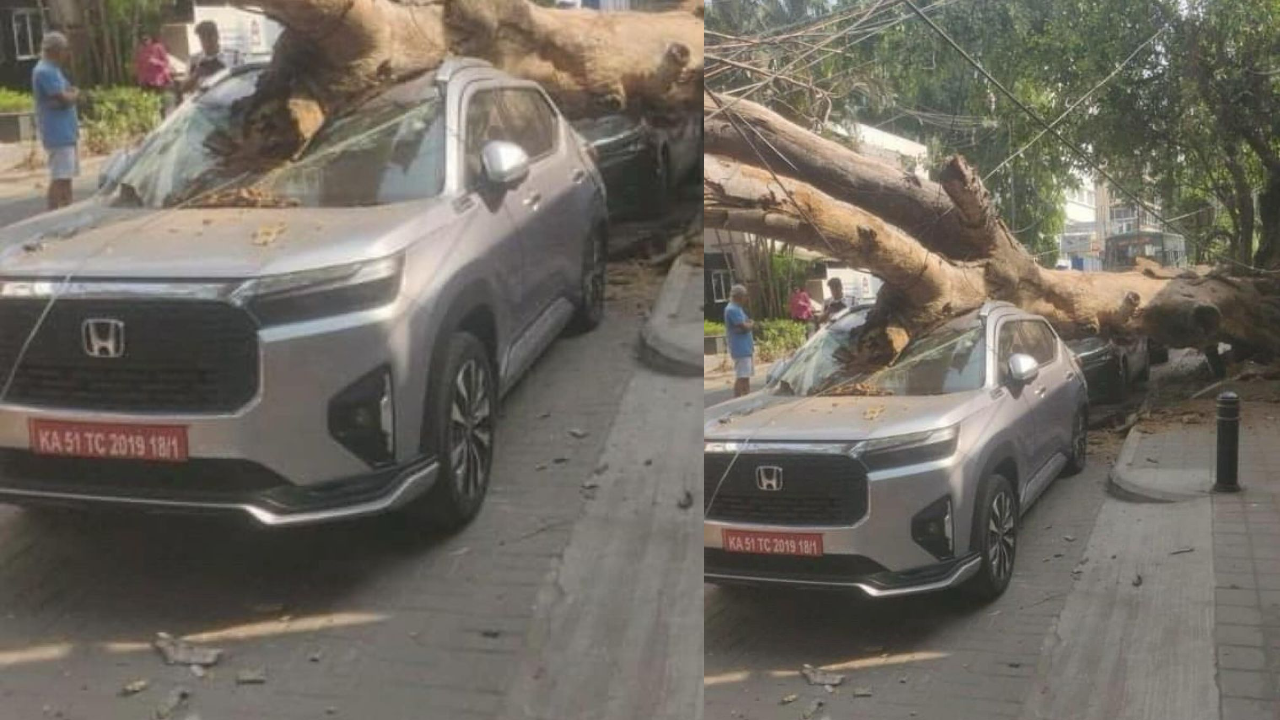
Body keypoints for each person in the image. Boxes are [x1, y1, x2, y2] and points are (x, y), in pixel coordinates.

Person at [32, 32, 79, 211]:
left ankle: (68, 211)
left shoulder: (54, 69)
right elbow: (64, 97)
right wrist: (73, 95)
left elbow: (67, 91)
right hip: (57, 132)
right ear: (55, 50)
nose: (66, 54)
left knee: (66, 177)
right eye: (64, 49)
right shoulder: (44, 71)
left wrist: (70, 94)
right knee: (59, 177)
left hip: (66, 131)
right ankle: (52, 215)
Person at [182, 21, 241, 94]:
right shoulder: (194, 60)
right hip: (205, 103)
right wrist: (197, 74)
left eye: (210, 36)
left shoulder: (233, 57)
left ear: (217, 36)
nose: (207, 41)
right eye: (203, 37)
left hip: (228, 101)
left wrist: (224, 71)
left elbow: (244, 82)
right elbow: (183, 88)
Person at [724, 284, 756, 398]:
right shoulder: (732, 309)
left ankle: (747, 397)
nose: (745, 298)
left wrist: (748, 324)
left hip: (746, 347)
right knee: (741, 376)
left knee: (746, 376)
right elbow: (745, 326)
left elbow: (746, 322)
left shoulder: (738, 308)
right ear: (738, 296)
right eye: (744, 296)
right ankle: (737, 399)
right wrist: (750, 324)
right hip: (740, 348)